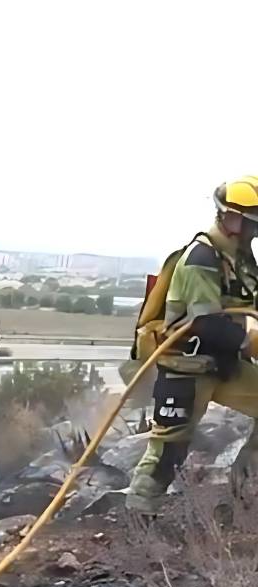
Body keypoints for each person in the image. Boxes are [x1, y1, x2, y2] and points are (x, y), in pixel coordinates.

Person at [128, 177, 258, 513]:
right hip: (188, 366)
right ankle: (140, 520)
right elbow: (206, 323)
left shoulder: (241, 259)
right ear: (231, 218)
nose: (254, 232)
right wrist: (251, 341)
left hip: (222, 364)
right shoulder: (201, 257)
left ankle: (246, 489)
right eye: (251, 223)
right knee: (168, 450)